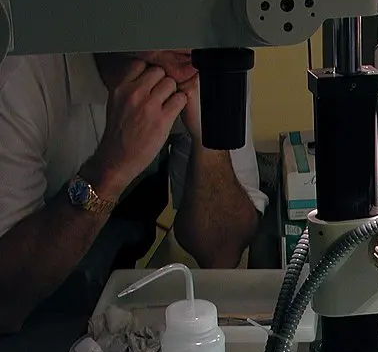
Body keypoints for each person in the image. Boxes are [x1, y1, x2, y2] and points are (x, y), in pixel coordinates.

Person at [0, 49, 269, 333]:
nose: (190, 29)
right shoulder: (18, 76)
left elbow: (222, 253)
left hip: (108, 299)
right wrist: (110, 170)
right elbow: (7, 305)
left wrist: (208, 141)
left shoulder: (210, 54)